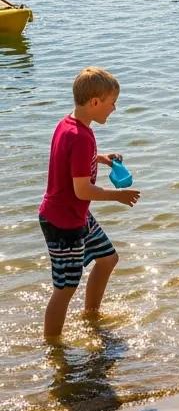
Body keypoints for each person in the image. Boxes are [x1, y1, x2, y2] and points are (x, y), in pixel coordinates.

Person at [38, 67, 141, 338]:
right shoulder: (81, 136)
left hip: (76, 216)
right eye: (112, 103)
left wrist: (101, 158)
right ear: (95, 102)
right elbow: (82, 190)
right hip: (63, 223)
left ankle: (91, 315)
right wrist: (117, 196)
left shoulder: (69, 125)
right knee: (65, 288)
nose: (114, 108)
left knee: (108, 259)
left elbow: (72, 160)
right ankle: (53, 346)